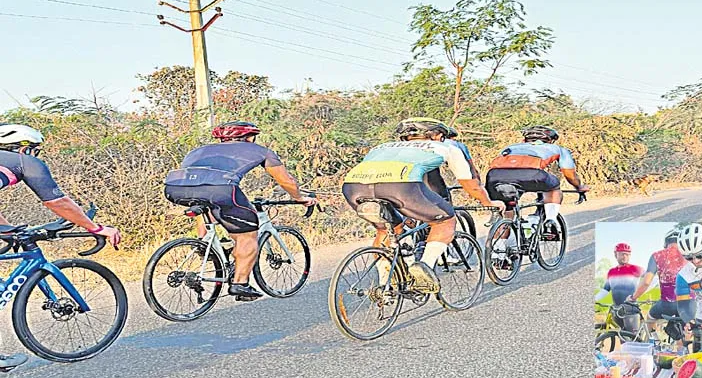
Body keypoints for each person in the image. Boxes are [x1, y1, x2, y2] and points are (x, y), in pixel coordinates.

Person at [0, 123, 121, 372]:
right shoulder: (24, 162)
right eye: (35, 149)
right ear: (24, 148)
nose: (35, 155)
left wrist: (9, 230)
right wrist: (96, 228)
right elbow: (59, 202)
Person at [342, 118, 505, 292]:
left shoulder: (381, 147)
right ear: (439, 135)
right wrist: (489, 203)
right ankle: (424, 269)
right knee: (446, 221)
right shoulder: (448, 147)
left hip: (353, 187)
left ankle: (385, 285)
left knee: (387, 229)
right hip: (401, 186)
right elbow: (471, 184)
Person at [164, 121, 317, 301]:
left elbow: (199, 181)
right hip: (220, 190)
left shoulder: (197, 151)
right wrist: (299, 197)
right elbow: (287, 181)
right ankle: (240, 284)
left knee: (206, 203)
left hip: (174, 189)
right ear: (250, 137)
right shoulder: (261, 151)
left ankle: (203, 243)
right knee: (247, 235)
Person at [485, 125, 589, 237]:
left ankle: (496, 251)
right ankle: (550, 220)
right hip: (532, 174)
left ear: (524, 140)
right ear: (550, 141)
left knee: (507, 212)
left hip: (494, 176)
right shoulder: (557, 149)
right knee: (553, 187)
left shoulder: (510, 147)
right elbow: (569, 174)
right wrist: (579, 187)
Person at [627, 229, 685, 321]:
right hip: (688, 304)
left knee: (650, 317)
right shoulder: (689, 254)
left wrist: (633, 297)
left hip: (667, 304)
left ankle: (651, 335)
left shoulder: (657, 255)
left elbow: (646, 282)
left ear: (666, 243)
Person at [595, 243, 644, 333]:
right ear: (615, 254)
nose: (625, 256)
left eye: (627, 254)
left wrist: (639, 292)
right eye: (622, 254)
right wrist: (594, 299)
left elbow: (652, 278)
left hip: (631, 310)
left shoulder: (636, 269)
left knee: (632, 339)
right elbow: (605, 290)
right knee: (622, 337)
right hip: (616, 310)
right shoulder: (611, 272)